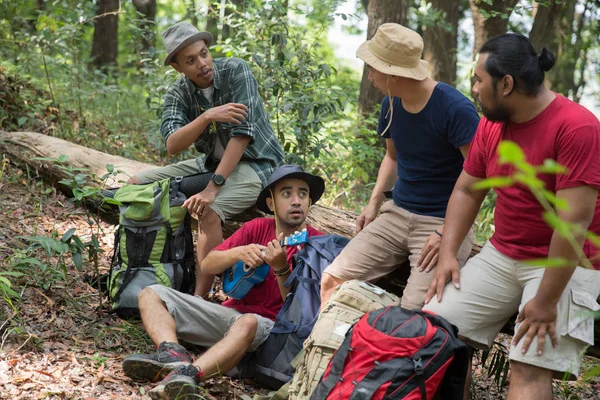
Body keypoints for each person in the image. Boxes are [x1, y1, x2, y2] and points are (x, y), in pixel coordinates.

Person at [423, 33, 600, 400]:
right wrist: (447, 254)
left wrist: (546, 302)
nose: (472, 87)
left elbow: (572, 226)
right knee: (434, 335)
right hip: (503, 254)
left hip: (567, 263)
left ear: (506, 84)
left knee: (529, 366)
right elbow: (467, 189)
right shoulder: (492, 122)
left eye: (478, 80)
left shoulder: (577, 127)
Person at [121, 164, 324, 400]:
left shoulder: (317, 244)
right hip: (230, 317)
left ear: (309, 201)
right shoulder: (257, 227)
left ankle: (189, 375)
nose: (296, 201)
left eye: (303, 194)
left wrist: (281, 268)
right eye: (286, 193)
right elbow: (208, 264)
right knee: (150, 293)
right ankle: (172, 355)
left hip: (273, 331)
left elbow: (301, 309)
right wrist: (239, 253)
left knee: (247, 323)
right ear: (271, 203)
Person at [320, 23, 479, 310]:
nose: (369, 75)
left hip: (442, 222)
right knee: (332, 279)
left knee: (414, 312)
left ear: (395, 73)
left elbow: (480, 176)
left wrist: (448, 233)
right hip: (395, 214)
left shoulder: (455, 109)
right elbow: (392, 157)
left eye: (374, 68)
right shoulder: (389, 104)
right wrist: (373, 202)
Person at [128, 22, 285, 297]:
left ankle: (198, 300)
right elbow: (172, 145)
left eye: (204, 53)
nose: (202, 63)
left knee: (207, 211)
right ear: (178, 67)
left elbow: (242, 135)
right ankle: (145, 273)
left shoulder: (236, 70)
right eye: (190, 60)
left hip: (257, 163)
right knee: (136, 184)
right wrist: (206, 116)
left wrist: (213, 188)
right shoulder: (179, 92)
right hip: (211, 163)